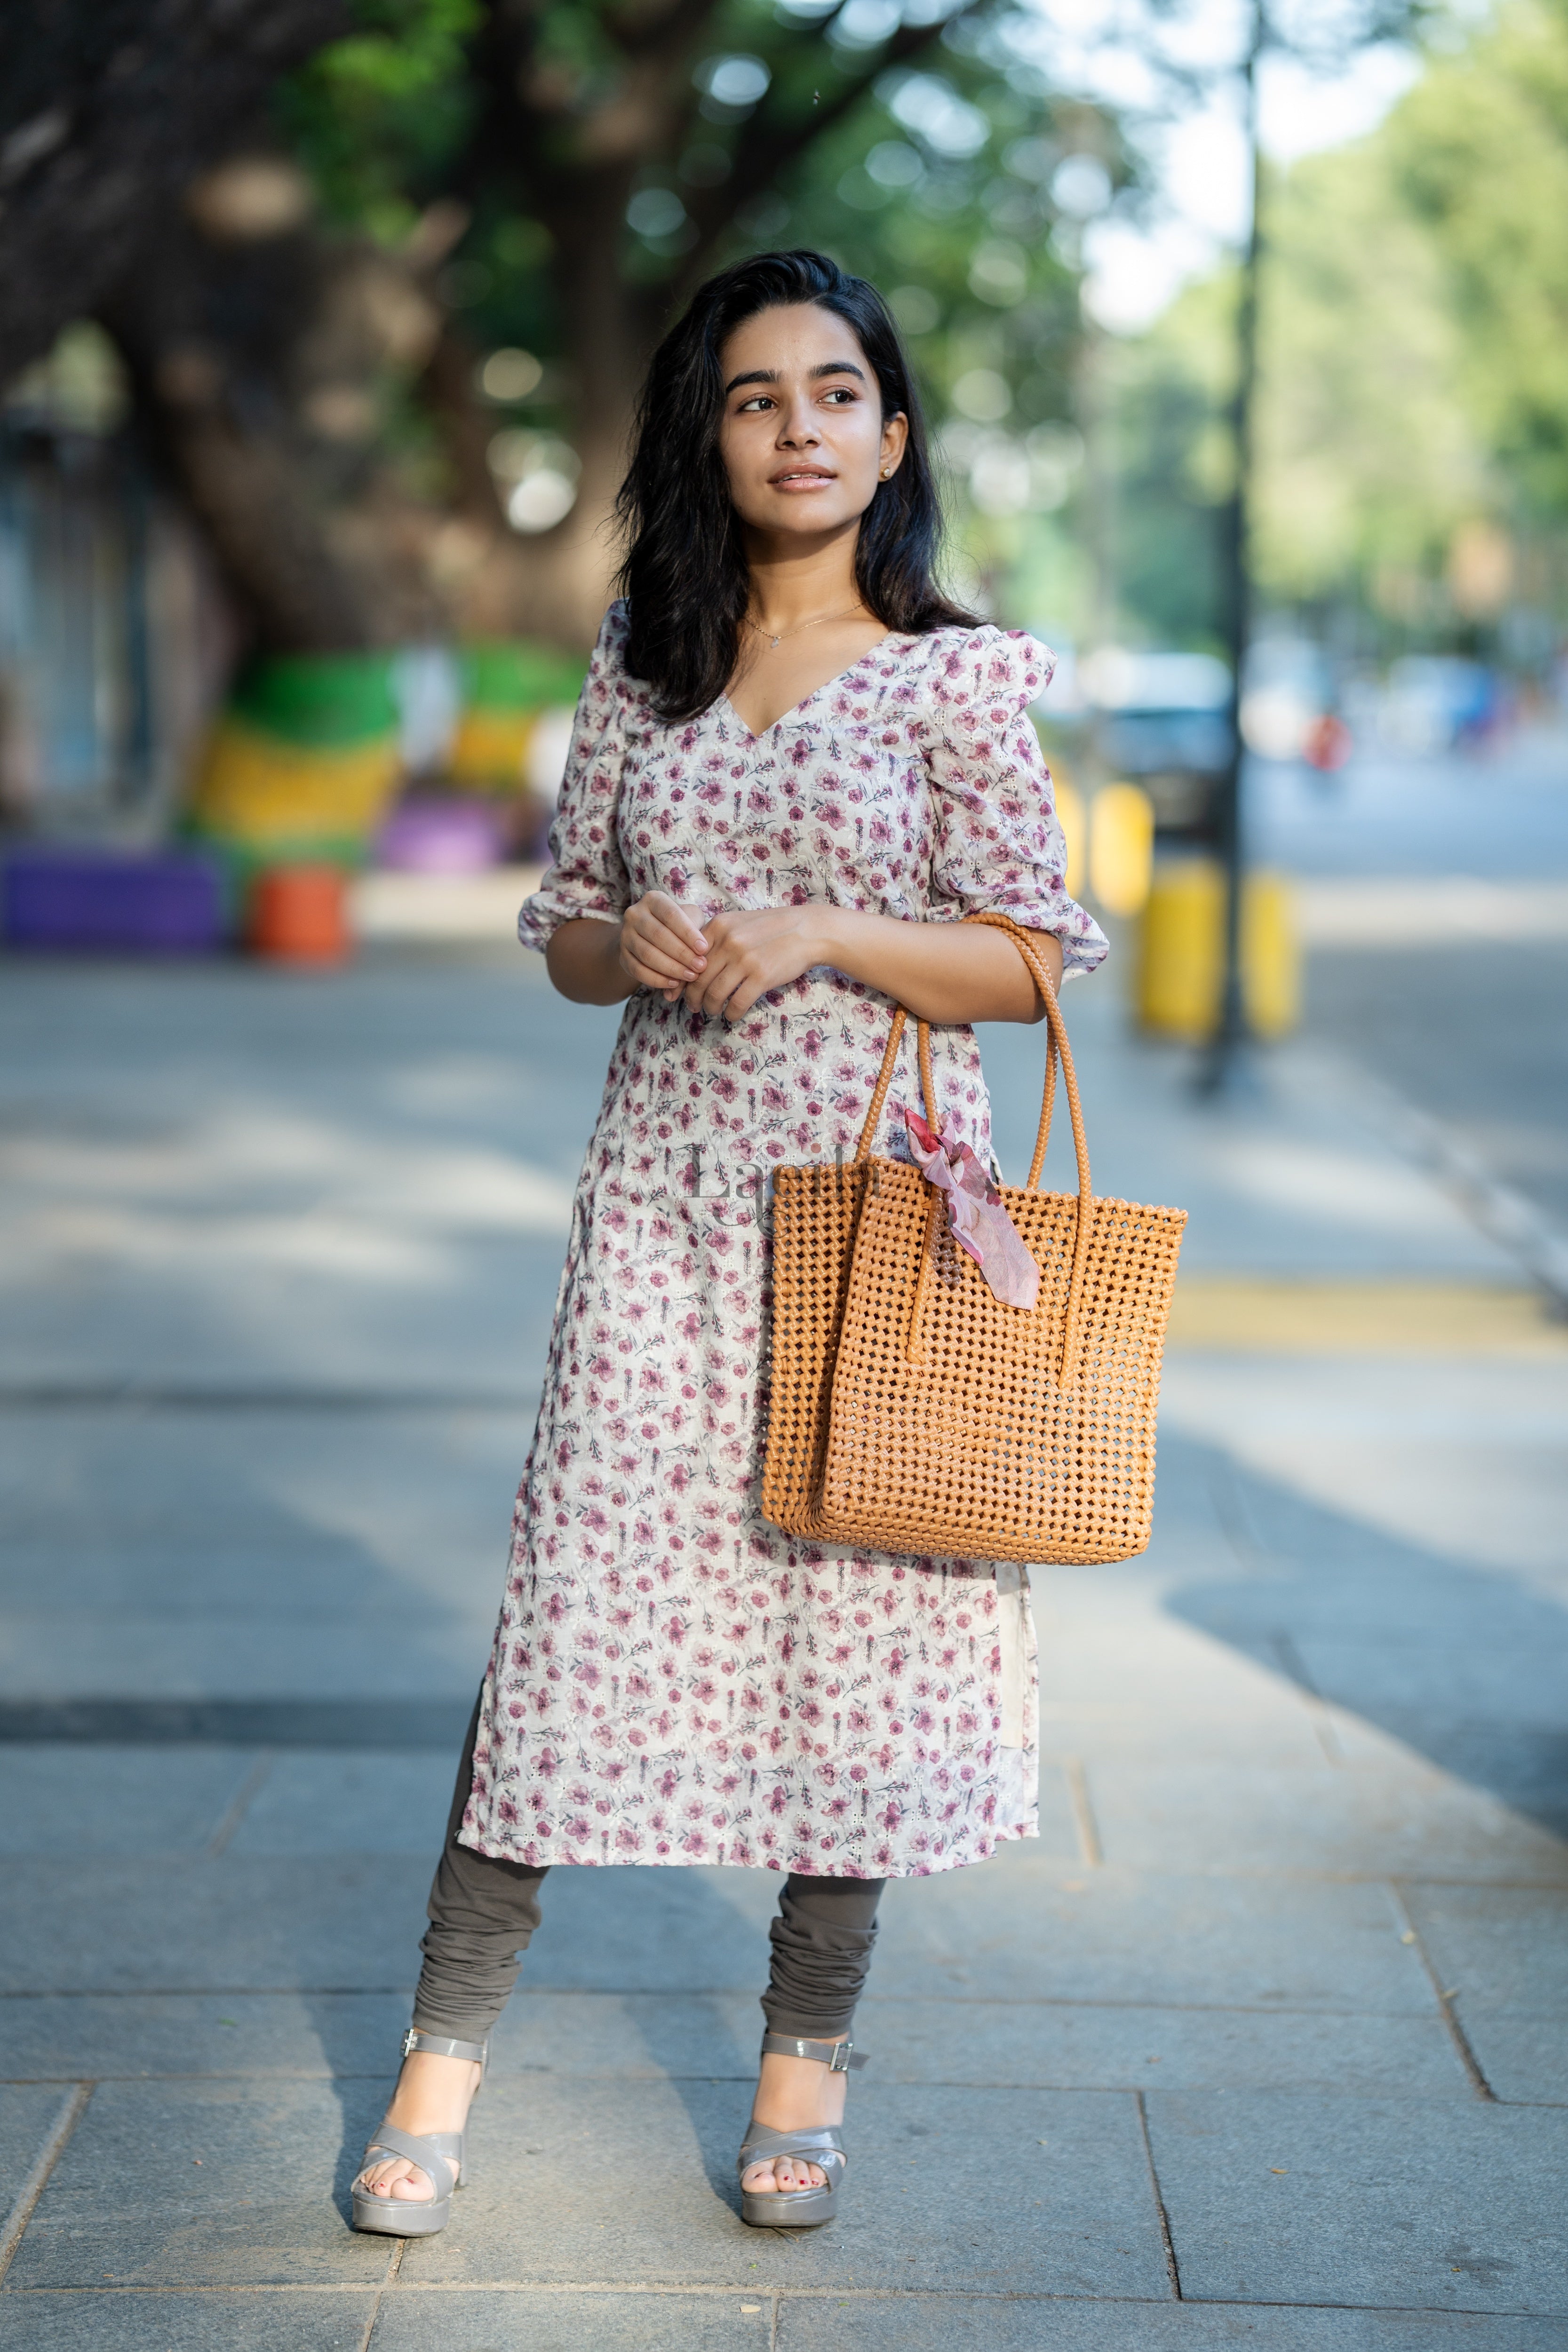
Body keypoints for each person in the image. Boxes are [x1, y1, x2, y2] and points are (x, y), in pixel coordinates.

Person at [351, 247, 1106, 2239]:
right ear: (712, 430)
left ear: (893, 434)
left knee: (850, 1636)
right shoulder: (642, 663)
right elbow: (571, 936)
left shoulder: (954, 674)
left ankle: (803, 2062)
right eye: (760, 393)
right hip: (666, 1225)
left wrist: (825, 931)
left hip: (874, 1230)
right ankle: (439, 2057)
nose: (801, 425)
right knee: (565, 1612)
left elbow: (1033, 960)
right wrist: (649, 944)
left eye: (838, 391)